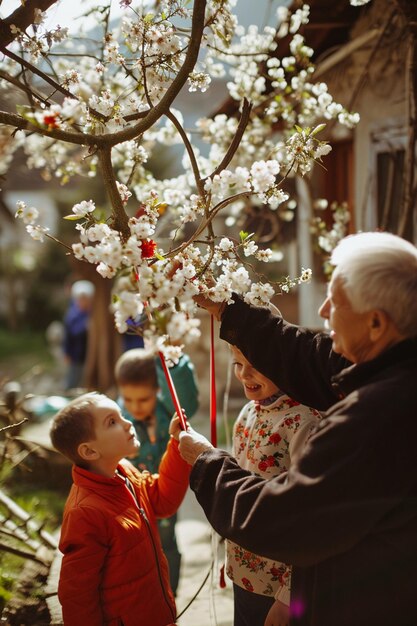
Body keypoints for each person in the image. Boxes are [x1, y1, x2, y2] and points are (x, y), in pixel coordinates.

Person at [178, 231, 417, 626]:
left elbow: (288, 518)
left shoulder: (378, 416)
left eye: (336, 303)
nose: (323, 311)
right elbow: (312, 356)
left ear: (376, 322)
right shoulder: (393, 366)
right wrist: (229, 310)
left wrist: (207, 463)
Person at [49, 391, 189, 626]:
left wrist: (176, 444)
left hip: (155, 611)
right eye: (112, 422)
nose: (127, 423)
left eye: (121, 415)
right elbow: (78, 595)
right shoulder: (85, 513)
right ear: (90, 451)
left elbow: (162, 501)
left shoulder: (125, 472)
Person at [226, 344, 321, 626]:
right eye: (237, 363)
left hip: (279, 585)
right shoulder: (247, 412)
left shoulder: (305, 421)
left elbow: (313, 513)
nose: (244, 374)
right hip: (243, 571)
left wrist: (288, 596)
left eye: (256, 364)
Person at [114, 347, 199, 595]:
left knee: (167, 544)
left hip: (162, 495)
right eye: (128, 399)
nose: (135, 407)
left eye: (143, 399)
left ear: (157, 391)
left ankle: (169, 595)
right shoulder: (119, 421)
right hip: (130, 500)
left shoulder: (165, 413)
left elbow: (187, 399)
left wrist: (170, 361)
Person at [62, 280, 95, 390]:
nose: (84, 301)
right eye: (81, 299)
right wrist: (67, 353)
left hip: (88, 354)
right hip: (76, 354)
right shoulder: (73, 315)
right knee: (74, 378)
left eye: (86, 299)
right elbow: (69, 335)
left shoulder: (91, 313)